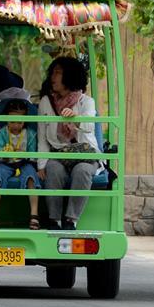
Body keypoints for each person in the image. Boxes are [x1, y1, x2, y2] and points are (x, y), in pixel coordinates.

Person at [37, 56, 99, 230]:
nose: (53, 77)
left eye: (58, 73)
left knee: (83, 170)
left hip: (83, 154)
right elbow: (42, 135)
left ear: (70, 76)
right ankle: (54, 220)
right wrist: (41, 165)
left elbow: (89, 126)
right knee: (53, 169)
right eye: (53, 72)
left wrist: (75, 119)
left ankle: (71, 220)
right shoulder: (46, 102)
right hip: (60, 154)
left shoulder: (86, 102)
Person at [0, 99, 41, 230]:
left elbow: (33, 155)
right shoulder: (1, 133)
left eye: (19, 122)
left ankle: (34, 215)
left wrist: (23, 154)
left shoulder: (31, 134)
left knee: (31, 176)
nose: (16, 125)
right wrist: (5, 154)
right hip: (5, 163)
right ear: (6, 119)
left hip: (24, 163)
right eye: (12, 121)